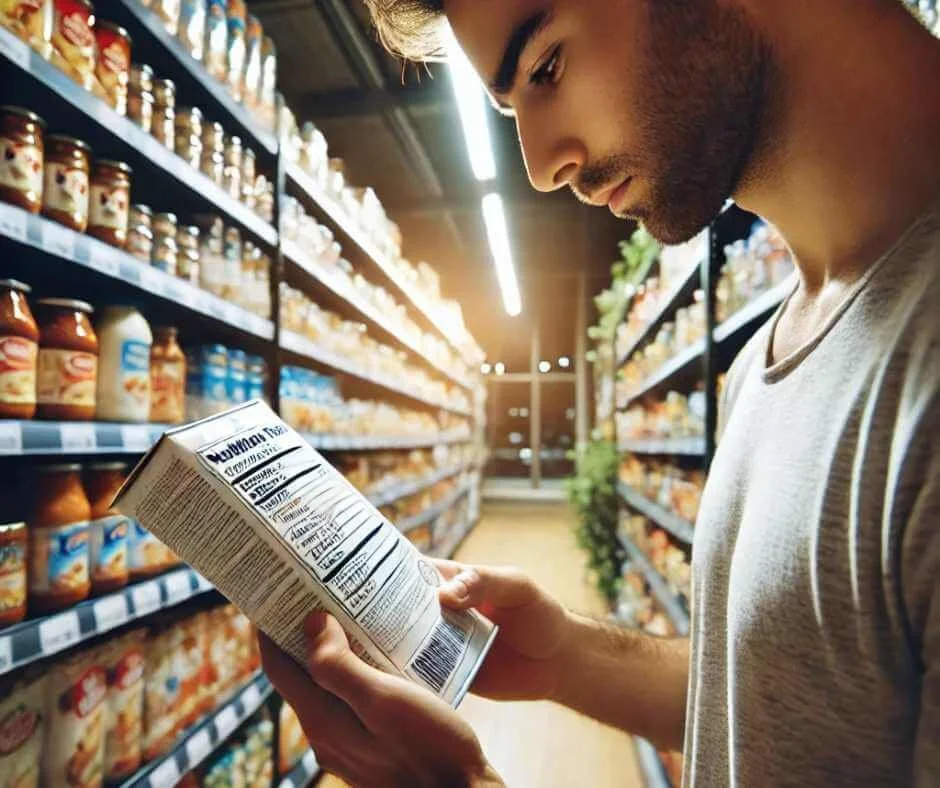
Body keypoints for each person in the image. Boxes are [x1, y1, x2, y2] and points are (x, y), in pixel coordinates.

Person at [259, 1, 940, 785]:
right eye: (513, 108)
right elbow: (790, 704)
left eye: (548, 63)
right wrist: (569, 658)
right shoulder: (774, 351)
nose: (541, 164)